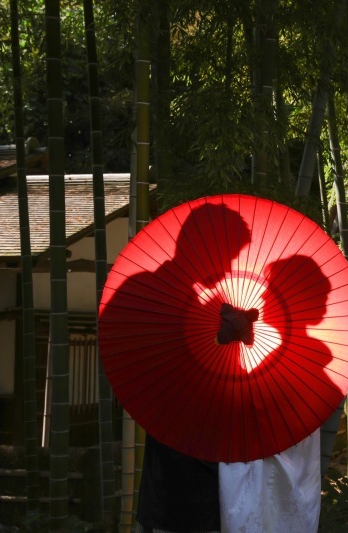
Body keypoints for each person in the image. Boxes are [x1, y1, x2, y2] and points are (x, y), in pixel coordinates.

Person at [100, 200, 251, 533]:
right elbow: (130, 368)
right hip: (174, 441)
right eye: (227, 257)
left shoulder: (214, 308)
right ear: (202, 249)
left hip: (210, 446)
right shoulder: (147, 292)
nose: (228, 268)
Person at [218, 255, 332, 533]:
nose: (264, 298)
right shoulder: (267, 350)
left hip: (281, 447)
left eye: (271, 291)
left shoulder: (301, 353)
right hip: (264, 450)